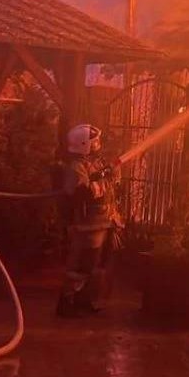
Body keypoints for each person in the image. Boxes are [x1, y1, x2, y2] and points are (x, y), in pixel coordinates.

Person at [56, 123, 119, 318]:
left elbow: (108, 185)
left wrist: (110, 174)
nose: (98, 144)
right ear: (84, 144)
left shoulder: (94, 163)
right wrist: (102, 178)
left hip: (103, 222)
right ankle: (67, 302)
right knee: (81, 265)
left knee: (95, 265)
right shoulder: (76, 168)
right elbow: (82, 193)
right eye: (94, 141)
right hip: (88, 226)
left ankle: (85, 300)